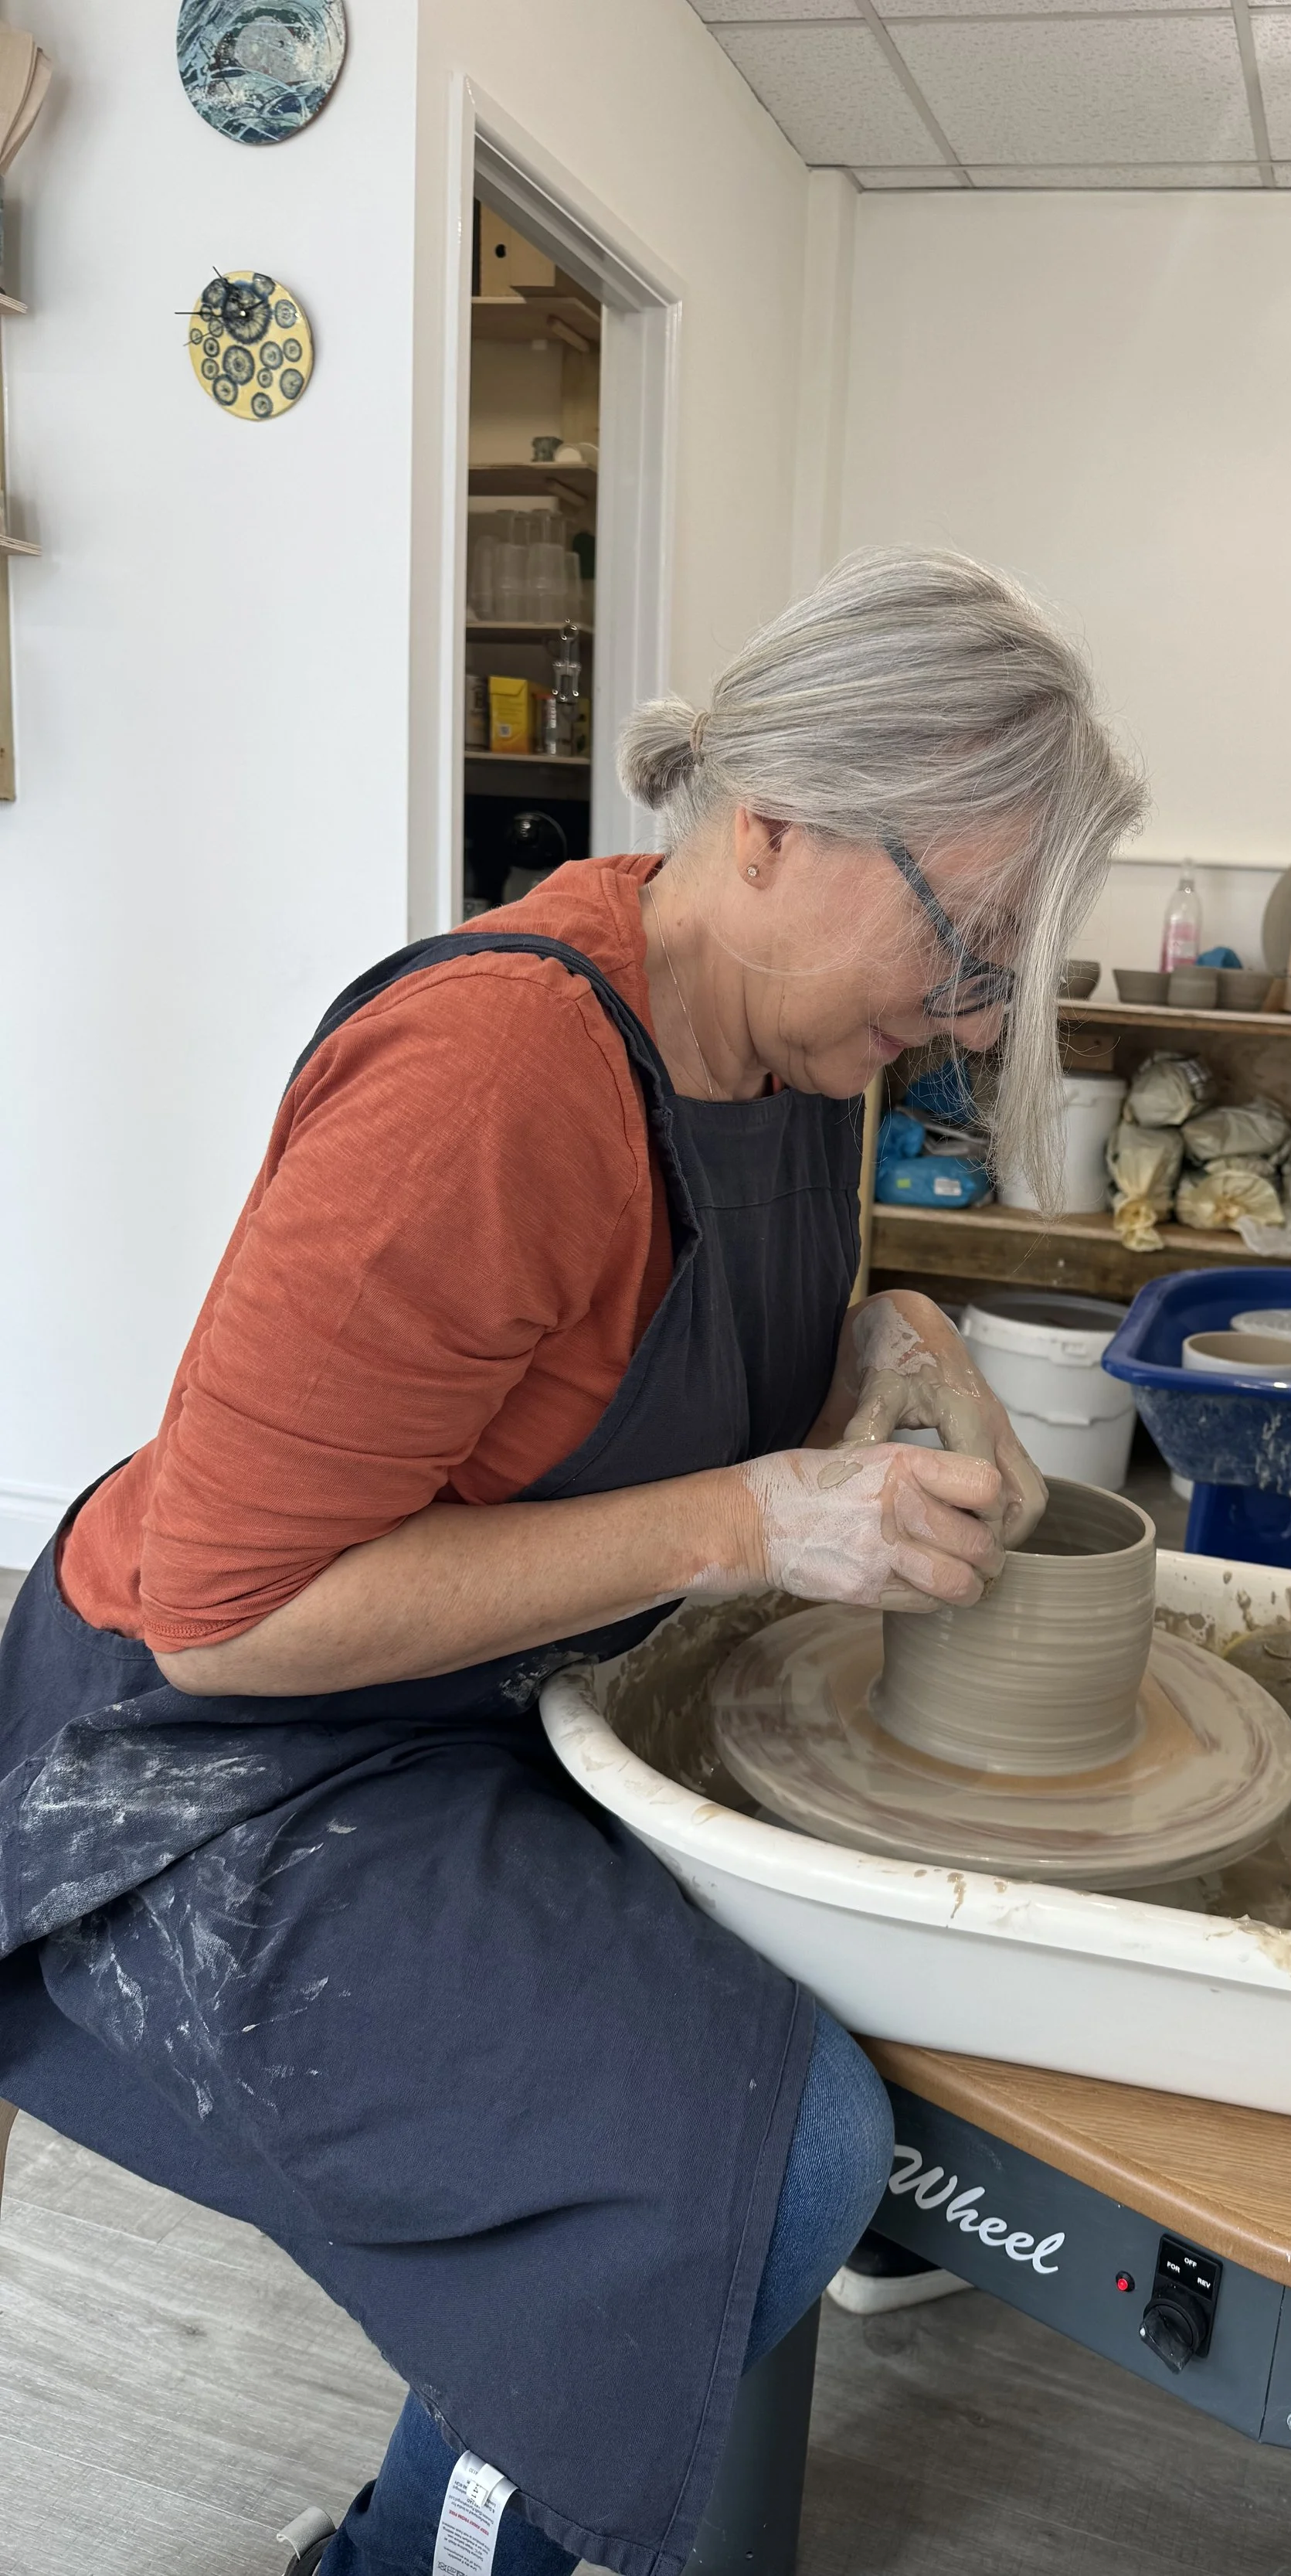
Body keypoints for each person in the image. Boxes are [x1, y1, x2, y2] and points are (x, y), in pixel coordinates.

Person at [0, 549, 1144, 2575]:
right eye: (964, 944)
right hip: (206, 1762)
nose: (971, 1018)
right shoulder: (497, 1077)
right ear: (773, 825)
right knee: (772, 2161)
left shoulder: (790, 1050)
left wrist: (880, 1346)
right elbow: (234, 1614)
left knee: (842, 2009)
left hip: (485, 1700)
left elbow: (667, 1374)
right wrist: (756, 1521)